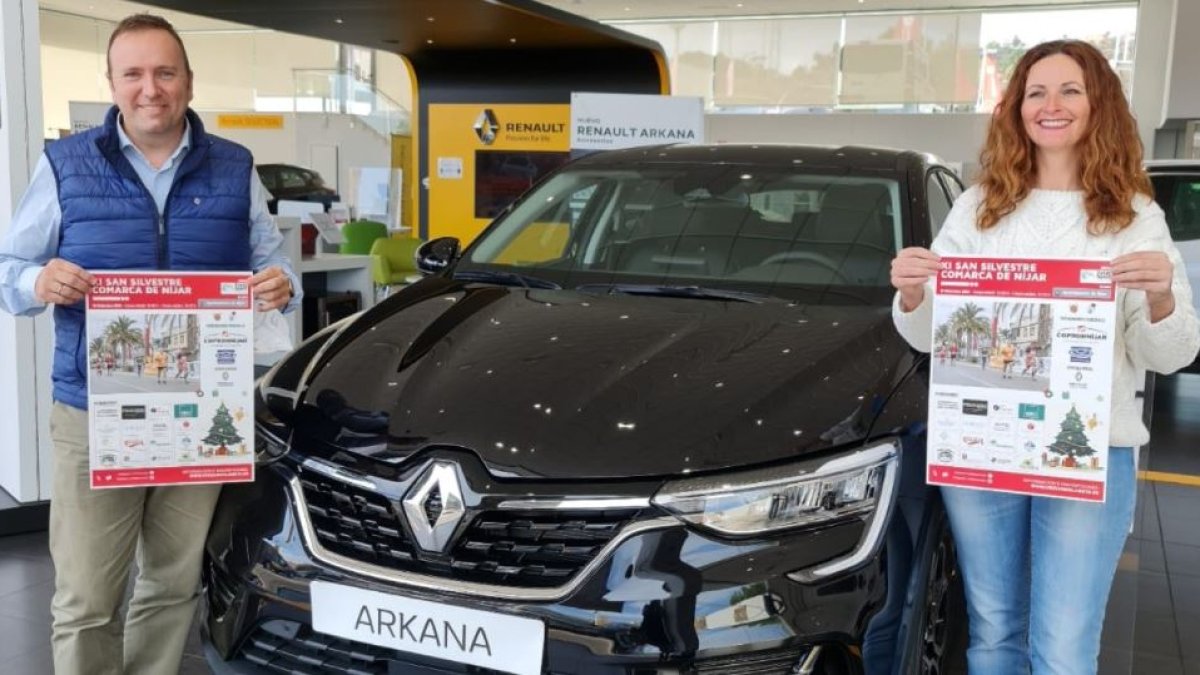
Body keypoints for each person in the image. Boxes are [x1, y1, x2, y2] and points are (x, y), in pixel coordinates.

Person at [0, 14, 301, 675]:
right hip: (93, 411)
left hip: (201, 410)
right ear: (111, 83)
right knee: (86, 598)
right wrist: (37, 277)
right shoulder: (65, 164)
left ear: (188, 81)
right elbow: (6, 272)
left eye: (165, 72)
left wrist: (283, 283)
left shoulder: (234, 166)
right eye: (133, 73)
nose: (150, 88)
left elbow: (273, 261)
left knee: (172, 583)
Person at [889, 40, 1199, 675]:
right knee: (995, 632)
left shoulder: (1134, 217)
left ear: (1099, 105)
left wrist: (1164, 294)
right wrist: (915, 291)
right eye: (1036, 92)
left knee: (1061, 648)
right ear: (1016, 109)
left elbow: (1170, 354)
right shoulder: (979, 209)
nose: (1050, 106)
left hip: (1085, 454)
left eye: (1070, 90)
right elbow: (928, 338)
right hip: (984, 449)